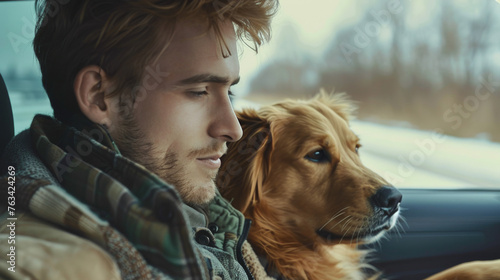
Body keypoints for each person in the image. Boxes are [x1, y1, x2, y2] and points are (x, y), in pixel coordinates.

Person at [0, 0, 278, 279]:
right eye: (199, 91)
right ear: (99, 95)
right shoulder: (60, 267)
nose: (233, 129)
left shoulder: (201, 217)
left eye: (229, 93)